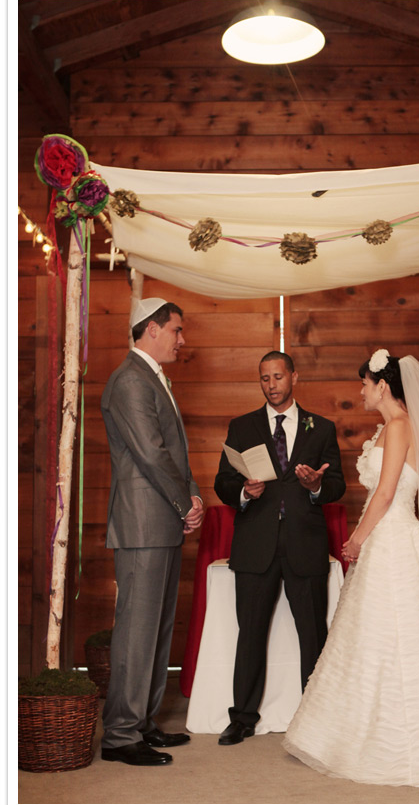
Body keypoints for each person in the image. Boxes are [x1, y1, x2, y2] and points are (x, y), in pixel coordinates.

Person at [283, 350, 419, 788]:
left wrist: (356, 539)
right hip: (390, 537)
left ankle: (407, 739)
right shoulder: (393, 427)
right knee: (374, 639)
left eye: (364, 383)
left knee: (399, 638)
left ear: (382, 385)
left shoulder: (401, 426)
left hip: (393, 536)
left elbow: (385, 495)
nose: (360, 391)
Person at [214, 350, 346, 746]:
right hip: (256, 546)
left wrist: (315, 486)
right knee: (250, 634)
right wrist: (243, 491)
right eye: (264, 378)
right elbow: (222, 482)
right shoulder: (242, 427)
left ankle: (317, 716)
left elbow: (337, 484)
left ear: (294, 377)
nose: (271, 385)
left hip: (304, 545)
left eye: (277, 377)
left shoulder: (321, 428)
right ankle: (242, 718)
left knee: (313, 635)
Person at [100, 298, 204, 767]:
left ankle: (142, 723)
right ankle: (120, 735)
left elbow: (174, 455)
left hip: (163, 520)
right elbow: (150, 454)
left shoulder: (152, 379)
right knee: (137, 631)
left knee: (158, 630)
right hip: (143, 524)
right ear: (152, 330)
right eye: (177, 331)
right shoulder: (129, 380)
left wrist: (194, 498)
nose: (183, 341)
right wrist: (186, 503)